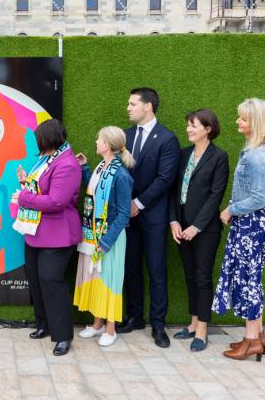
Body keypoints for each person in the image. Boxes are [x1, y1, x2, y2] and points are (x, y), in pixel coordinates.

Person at [213, 98, 265, 361]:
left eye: (243, 118)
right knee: (252, 277)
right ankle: (258, 335)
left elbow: (258, 198)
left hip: (253, 224)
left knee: (248, 281)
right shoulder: (263, 151)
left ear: (256, 122)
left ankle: (252, 340)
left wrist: (230, 210)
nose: (238, 121)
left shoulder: (255, 156)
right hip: (260, 223)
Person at [12, 119, 81, 356]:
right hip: (36, 232)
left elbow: (56, 201)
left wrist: (23, 197)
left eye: (39, 139)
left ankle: (62, 336)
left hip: (58, 235)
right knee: (36, 280)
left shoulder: (67, 164)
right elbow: (39, 190)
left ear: (48, 139)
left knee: (52, 281)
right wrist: (24, 183)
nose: (36, 143)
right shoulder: (46, 160)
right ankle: (44, 324)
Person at [118, 87, 180, 348]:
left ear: (148, 107)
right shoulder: (126, 136)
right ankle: (134, 317)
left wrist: (139, 203)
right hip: (128, 216)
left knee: (156, 270)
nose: (128, 108)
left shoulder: (167, 139)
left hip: (153, 215)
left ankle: (158, 324)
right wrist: (126, 205)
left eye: (133, 104)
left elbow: (166, 178)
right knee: (130, 267)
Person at [169, 109, 229, 352]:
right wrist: (174, 221)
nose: (188, 129)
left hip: (206, 230)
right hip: (181, 227)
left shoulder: (219, 157)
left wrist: (197, 226)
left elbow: (216, 195)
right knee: (190, 276)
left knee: (203, 278)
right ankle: (193, 322)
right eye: (188, 125)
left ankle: (203, 329)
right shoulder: (184, 155)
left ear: (208, 128)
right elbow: (173, 191)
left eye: (193, 125)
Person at [74, 126, 134, 348]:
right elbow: (96, 190)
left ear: (107, 145)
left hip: (111, 238)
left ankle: (111, 328)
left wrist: (106, 241)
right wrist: (84, 167)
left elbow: (123, 213)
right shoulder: (102, 167)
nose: (96, 142)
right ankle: (97, 323)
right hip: (94, 234)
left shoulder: (121, 174)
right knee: (96, 279)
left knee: (110, 281)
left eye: (99, 139)